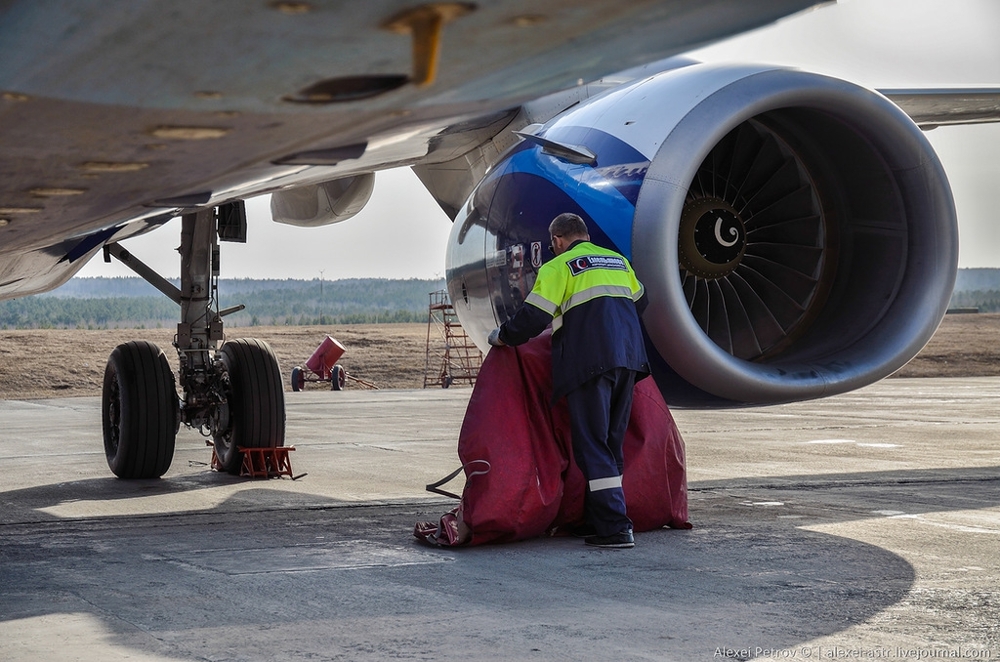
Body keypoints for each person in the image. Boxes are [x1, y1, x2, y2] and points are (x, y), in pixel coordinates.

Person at [488, 212, 650, 549]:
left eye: (553, 244)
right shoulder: (617, 261)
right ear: (585, 234)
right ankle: (598, 518)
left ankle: (615, 527)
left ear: (558, 240)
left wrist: (503, 336)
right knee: (609, 444)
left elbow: (534, 317)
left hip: (589, 361)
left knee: (591, 444)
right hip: (630, 360)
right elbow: (641, 301)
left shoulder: (559, 266)